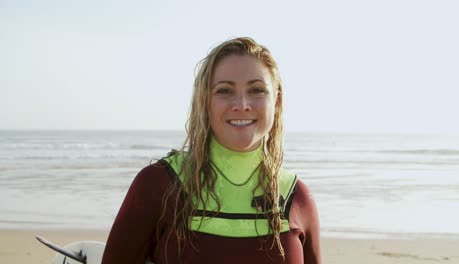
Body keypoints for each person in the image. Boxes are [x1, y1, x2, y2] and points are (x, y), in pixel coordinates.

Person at [102, 37, 321, 264]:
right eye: (224, 90)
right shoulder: (161, 184)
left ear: (276, 101)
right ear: (205, 102)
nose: (242, 104)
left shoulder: (297, 198)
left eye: (256, 89)